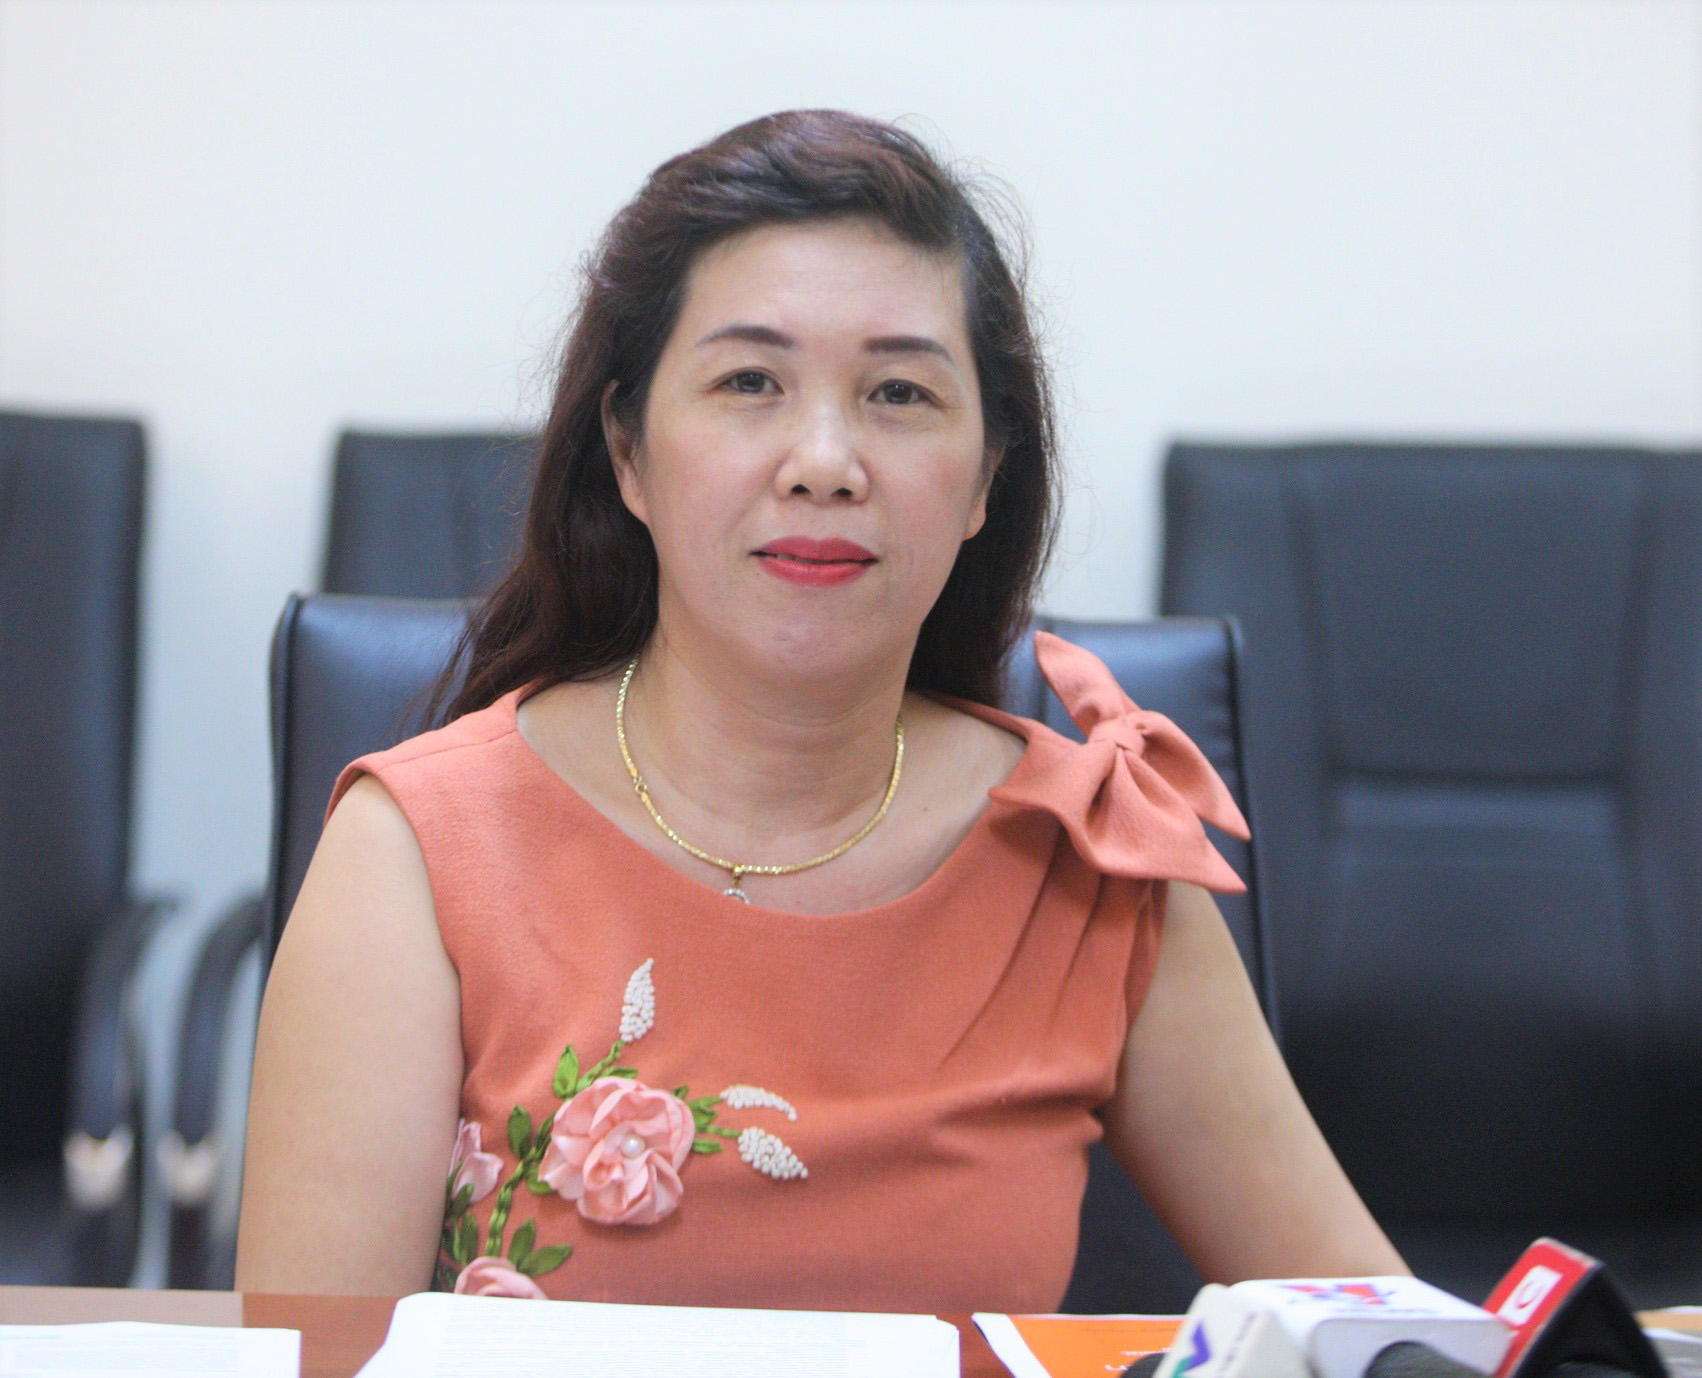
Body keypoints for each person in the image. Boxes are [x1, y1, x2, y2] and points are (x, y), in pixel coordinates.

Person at [236, 109, 1403, 1309]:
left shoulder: (1093, 855)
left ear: (984, 480)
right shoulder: (416, 857)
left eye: (900, 392)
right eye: (749, 382)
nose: (825, 461)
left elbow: (1372, 1326)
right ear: (628, 452)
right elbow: (319, 1360)